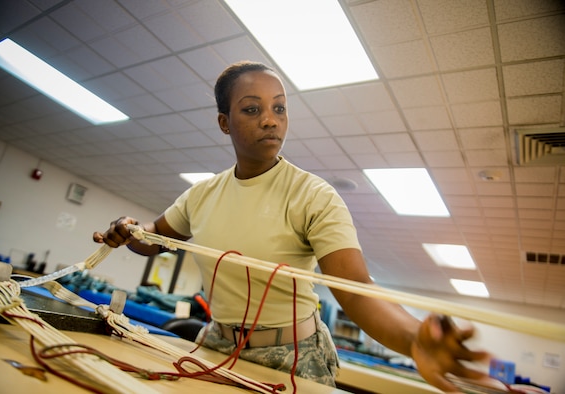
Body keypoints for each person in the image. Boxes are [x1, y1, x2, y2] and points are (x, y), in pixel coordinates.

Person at [94, 61, 489, 392]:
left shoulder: (314, 195)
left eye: (279, 108)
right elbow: (154, 239)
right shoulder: (201, 195)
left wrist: (412, 337)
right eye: (252, 109)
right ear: (224, 122)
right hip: (216, 343)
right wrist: (128, 230)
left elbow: (356, 290)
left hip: (294, 357)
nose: (270, 119)